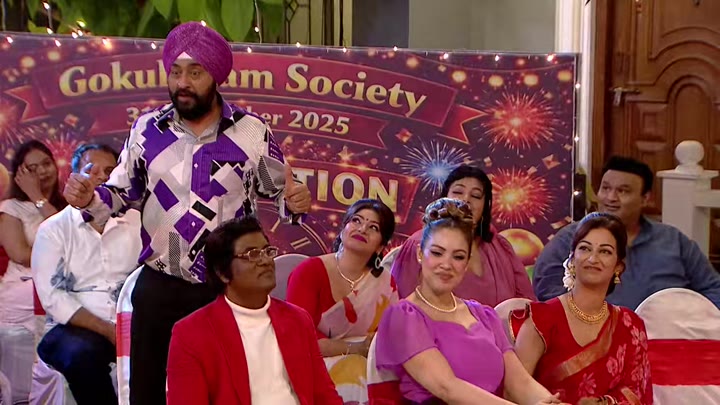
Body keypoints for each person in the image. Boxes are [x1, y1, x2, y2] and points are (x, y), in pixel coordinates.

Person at [62, 22, 312, 404]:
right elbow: (120, 192)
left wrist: (294, 203)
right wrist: (89, 198)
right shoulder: (147, 130)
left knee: (225, 393)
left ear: (215, 76)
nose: (183, 82)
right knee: (148, 394)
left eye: (195, 72)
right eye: (176, 72)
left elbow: (281, 192)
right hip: (159, 286)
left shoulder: (252, 133)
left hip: (225, 287)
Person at [375, 198, 566, 405]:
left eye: (458, 257)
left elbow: (519, 382)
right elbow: (447, 387)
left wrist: (547, 401)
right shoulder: (403, 316)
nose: (446, 264)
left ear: (466, 263)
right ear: (420, 254)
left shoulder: (484, 316)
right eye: (437, 253)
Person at [166, 217, 342, 405]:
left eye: (267, 251)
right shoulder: (191, 333)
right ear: (222, 273)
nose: (266, 261)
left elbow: (324, 394)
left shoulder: (298, 319)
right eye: (253, 254)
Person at [533, 156, 720, 310]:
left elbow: (713, 288)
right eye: (606, 188)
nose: (611, 198)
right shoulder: (571, 238)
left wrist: (693, 321)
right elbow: (547, 291)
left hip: (668, 337)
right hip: (595, 336)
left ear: (645, 198)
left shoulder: (673, 240)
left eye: (622, 191)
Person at [32, 144, 141, 404]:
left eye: (110, 171)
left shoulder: (137, 222)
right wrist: (109, 331)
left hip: (130, 321)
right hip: (71, 328)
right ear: (73, 177)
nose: (101, 177)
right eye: (92, 170)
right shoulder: (53, 229)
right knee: (81, 354)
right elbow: (53, 297)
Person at [512, 213, 653, 404]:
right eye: (585, 248)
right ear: (572, 259)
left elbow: (638, 394)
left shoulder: (630, 326)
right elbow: (513, 390)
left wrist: (603, 403)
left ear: (618, 267)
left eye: (605, 251)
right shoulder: (541, 319)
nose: (593, 258)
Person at [287, 199, 398, 404]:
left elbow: (386, 339)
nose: (362, 229)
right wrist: (354, 349)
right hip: (312, 365)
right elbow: (298, 340)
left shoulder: (384, 283)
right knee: (354, 369)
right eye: (356, 220)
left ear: (381, 246)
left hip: (366, 366)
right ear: (343, 230)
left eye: (373, 227)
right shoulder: (309, 272)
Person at [392, 165, 535, 306]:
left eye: (476, 196)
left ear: (485, 205)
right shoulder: (418, 243)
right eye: (458, 192)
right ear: (444, 197)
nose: (466, 199)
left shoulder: (500, 246)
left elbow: (526, 303)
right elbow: (402, 305)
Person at [0, 140, 66, 404]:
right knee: (21, 386)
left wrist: (39, 199)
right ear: (20, 174)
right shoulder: (10, 208)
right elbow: (19, 254)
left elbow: (69, 238)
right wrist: (58, 253)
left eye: (47, 163)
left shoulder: (67, 207)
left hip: (60, 292)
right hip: (22, 295)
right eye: (33, 168)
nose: (42, 171)